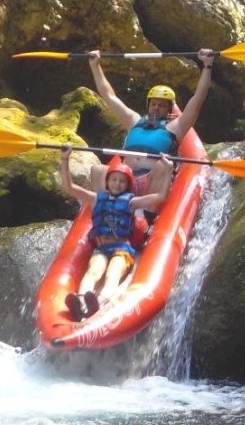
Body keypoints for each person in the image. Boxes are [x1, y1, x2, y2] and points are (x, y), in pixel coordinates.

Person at [59, 144, 171, 320]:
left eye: (122, 181)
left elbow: (160, 197)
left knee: (113, 272)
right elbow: (69, 187)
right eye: (114, 180)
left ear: (127, 185)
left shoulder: (131, 202)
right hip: (101, 249)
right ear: (108, 182)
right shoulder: (96, 198)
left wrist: (169, 169)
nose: (117, 184)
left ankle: (100, 302)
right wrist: (65, 159)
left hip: (122, 250)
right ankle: (80, 301)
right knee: (94, 271)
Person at [87, 47, 215, 197]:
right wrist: (95, 66)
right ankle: (102, 210)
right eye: (153, 104)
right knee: (97, 170)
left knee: (163, 165)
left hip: (150, 183)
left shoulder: (176, 127)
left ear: (169, 109)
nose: (156, 108)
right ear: (148, 105)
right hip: (123, 180)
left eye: (161, 105)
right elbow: (109, 96)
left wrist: (207, 66)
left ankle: (148, 214)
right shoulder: (133, 120)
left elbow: (198, 98)